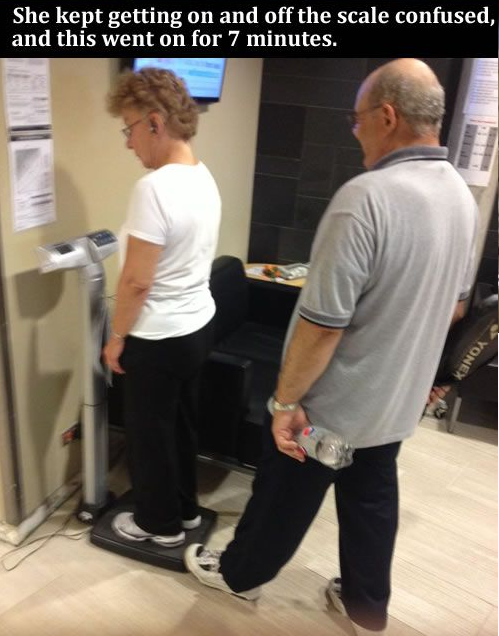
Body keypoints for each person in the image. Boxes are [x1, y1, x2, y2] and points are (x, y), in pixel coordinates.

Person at [184, 58, 477, 635]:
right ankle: (366, 605)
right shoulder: (461, 197)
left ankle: (240, 576)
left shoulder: (365, 198)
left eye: (357, 118)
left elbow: (322, 326)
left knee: (282, 492)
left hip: (329, 410)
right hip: (394, 402)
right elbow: (454, 308)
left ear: (387, 116)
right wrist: (416, 372)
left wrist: (285, 402)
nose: (354, 130)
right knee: (371, 497)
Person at [103, 67, 221, 547]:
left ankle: (159, 525)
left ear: (154, 122)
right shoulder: (202, 175)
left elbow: (137, 280)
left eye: (129, 129)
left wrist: (116, 339)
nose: (129, 143)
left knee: (149, 435)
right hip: (197, 327)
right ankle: (185, 511)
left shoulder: (154, 188)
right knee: (181, 427)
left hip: (157, 336)